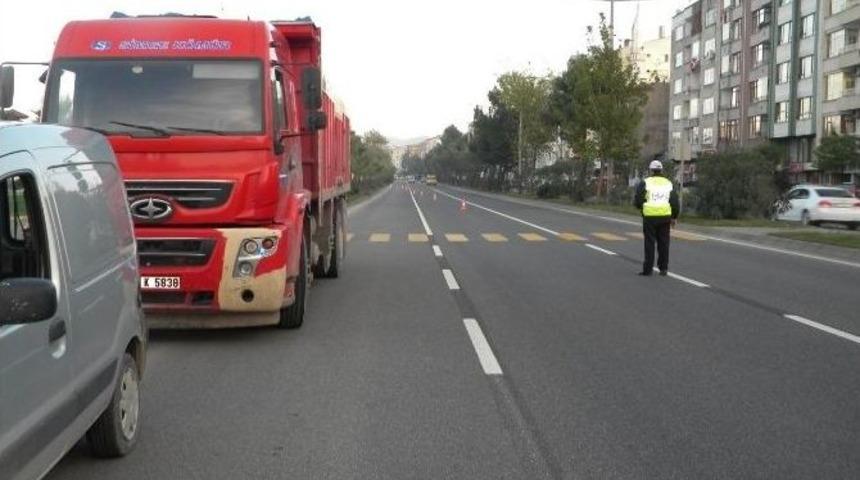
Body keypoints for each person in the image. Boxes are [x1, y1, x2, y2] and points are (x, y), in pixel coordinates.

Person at [633, 160, 680, 276]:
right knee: (664, 243)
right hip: (665, 217)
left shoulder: (646, 182)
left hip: (650, 217)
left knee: (649, 243)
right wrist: (674, 216)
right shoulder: (668, 183)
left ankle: (648, 270)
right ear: (661, 170)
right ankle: (663, 268)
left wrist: (642, 208)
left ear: (651, 170)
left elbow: (638, 199)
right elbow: (674, 201)